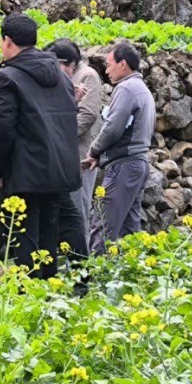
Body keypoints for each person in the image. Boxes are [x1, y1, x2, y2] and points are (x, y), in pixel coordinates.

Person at [0, 14, 80, 277]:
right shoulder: (61, 76)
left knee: (24, 237)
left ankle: (29, 299)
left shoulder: (7, 76)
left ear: (7, 41)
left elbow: (1, 129)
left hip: (25, 171)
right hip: (58, 169)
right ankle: (48, 298)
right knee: (49, 235)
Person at [83, 42, 156, 254]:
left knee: (103, 225)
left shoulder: (126, 88)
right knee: (129, 228)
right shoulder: (142, 89)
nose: (106, 71)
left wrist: (94, 151)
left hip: (124, 165)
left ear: (122, 64)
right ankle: (129, 276)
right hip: (138, 164)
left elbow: (113, 127)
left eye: (108, 64)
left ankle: (95, 279)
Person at [47, 38, 102, 258]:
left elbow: (88, 115)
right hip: (63, 157)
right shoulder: (64, 77)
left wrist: (60, 138)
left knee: (78, 210)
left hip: (80, 155)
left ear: (68, 62)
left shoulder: (87, 75)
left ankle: (81, 261)